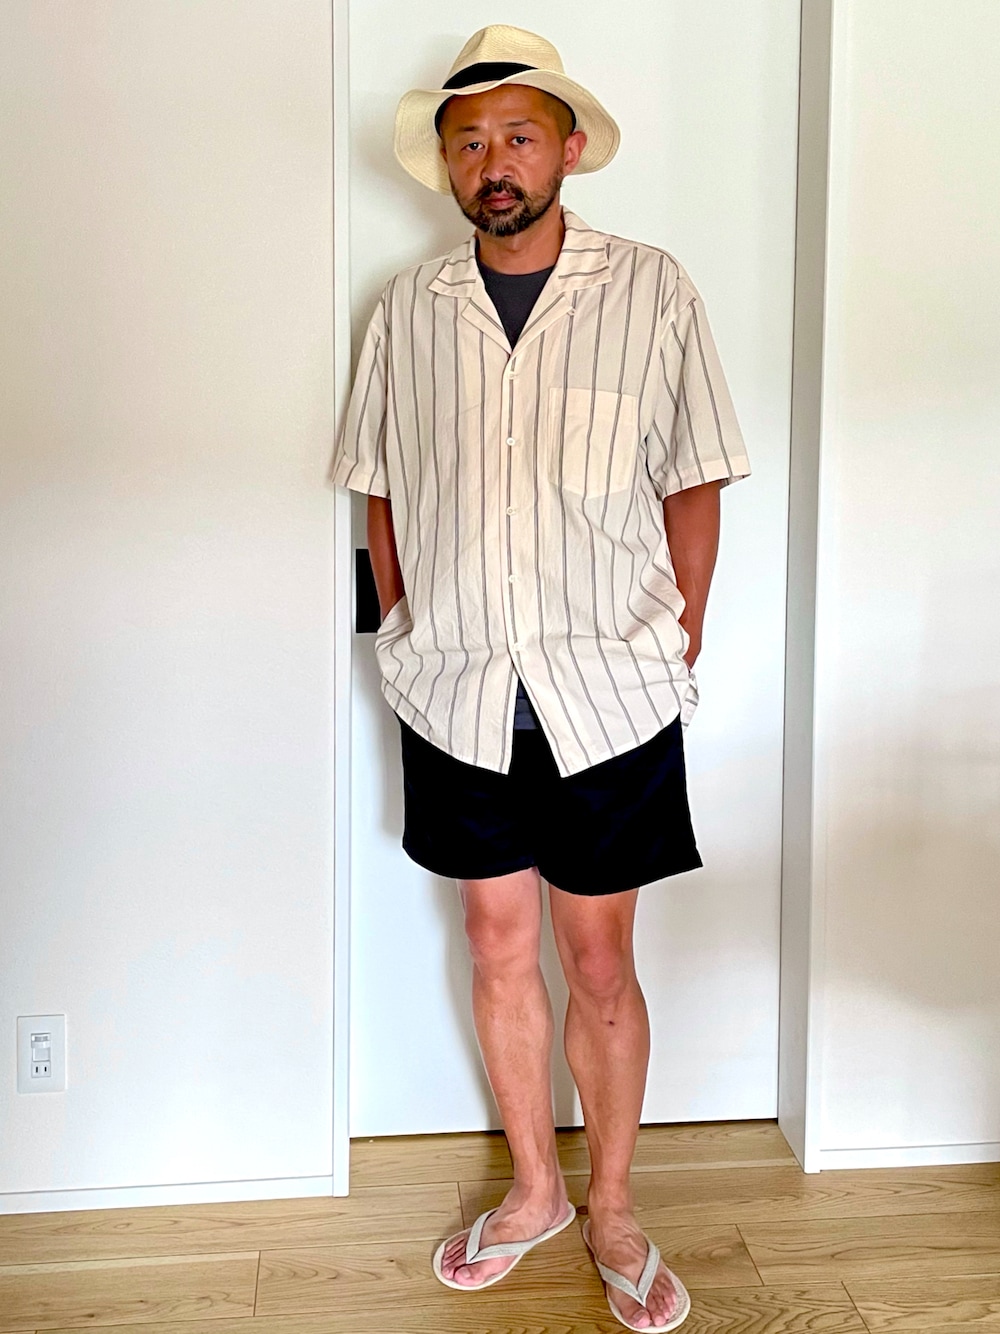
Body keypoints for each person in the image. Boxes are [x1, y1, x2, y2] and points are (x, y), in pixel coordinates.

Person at [330, 24, 750, 1332]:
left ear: (567, 149)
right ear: (447, 166)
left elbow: (694, 472)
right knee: (494, 939)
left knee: (599, 956)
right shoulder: (408, 311)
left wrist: (678, 633)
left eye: (517, 134)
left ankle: (613, 1205)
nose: (493, 160)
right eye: (469, 140)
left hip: (609, 689)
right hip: (456, 686)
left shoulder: (651, 289)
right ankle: (534, 1191)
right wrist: (403, 624)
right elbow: (379, 486)